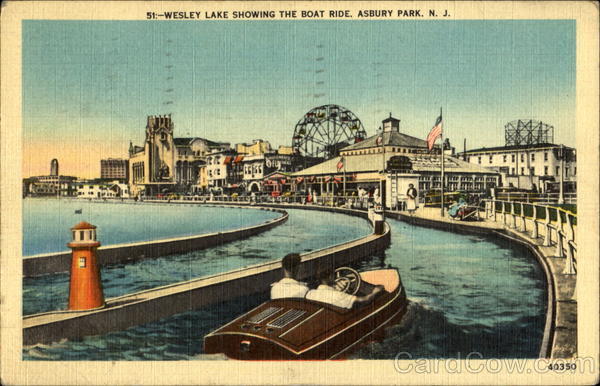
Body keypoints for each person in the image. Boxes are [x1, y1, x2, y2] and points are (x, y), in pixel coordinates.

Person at [305, 267, 384, 309]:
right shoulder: (337, 296)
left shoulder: (310, 294)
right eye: (333, 274)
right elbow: (363, 301)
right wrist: (376, 292)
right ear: (331, 276)